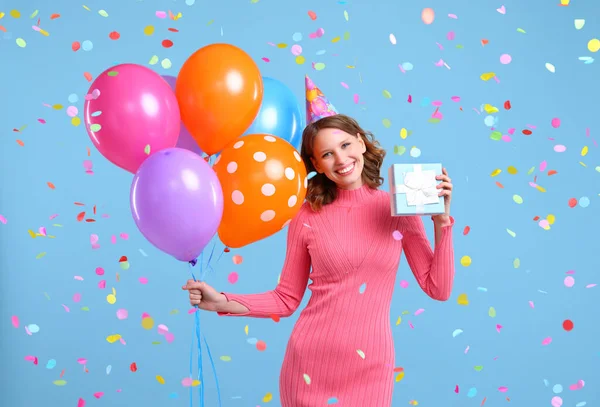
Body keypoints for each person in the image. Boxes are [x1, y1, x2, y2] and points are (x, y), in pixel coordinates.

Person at [182, 75, 455, 407]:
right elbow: (286, 299)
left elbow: (437, 287)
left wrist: (442, 222)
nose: (340, 160)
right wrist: (220, 300)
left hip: (371, 368)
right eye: (327, 154)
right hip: (308, 365)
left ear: (361, 143)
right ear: (315, 164)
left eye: (344, 146)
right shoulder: (306, 216)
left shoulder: (399, 208)